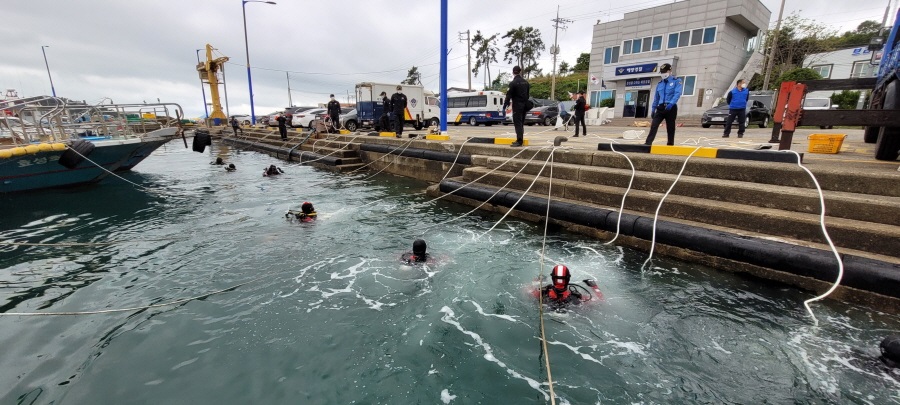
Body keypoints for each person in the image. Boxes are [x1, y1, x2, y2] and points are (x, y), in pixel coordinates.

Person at [644, 63, 683, 146]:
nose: (663, 74)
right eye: (661, 72)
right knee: (654, 125)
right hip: (661, 107)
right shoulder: (660, 84)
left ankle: (670, 144)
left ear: (670, 71)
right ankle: (648, 143)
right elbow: (656, 98)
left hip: (671, 107)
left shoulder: (676, 81)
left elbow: (677, 94)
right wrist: (653, 109)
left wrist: (671, 104)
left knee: (670, 127)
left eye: (664, 72)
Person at [503, 66, 531, 147]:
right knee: (521, 123)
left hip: (517, 106)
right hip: (525, 105)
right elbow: (527, 95)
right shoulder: (526, 82)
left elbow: (508, 95)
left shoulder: (513, 83)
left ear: (513, 72)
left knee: (517, 123)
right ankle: (520, 139)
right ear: (520, 71)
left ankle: (519, 141)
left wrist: (505, 105)